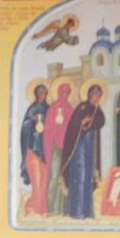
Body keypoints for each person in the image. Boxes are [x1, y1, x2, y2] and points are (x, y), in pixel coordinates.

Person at [61, 83, 106, 219]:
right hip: (79, 146)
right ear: (90, 95)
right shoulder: (82, 107)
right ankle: (76, 211)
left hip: (90, 147)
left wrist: (91, 121)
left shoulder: (97, 110)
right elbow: (74, 125)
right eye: (95, 95)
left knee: (88, 177)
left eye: (99, 96)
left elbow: (101, 120)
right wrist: (82, 122)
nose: (96, 98)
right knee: (79, 177)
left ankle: (87, 211)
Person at [44, 81, 74, 215]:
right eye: (63, 92)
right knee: (54, 176)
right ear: (59, 92)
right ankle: (50, 209)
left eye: (67, 92)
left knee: (64, 177)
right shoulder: (53, 107)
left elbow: (72, 126)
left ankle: (61, 210)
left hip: (67, 147)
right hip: (56, 146)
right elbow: (48, 127)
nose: (65, 95)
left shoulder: (70, 107)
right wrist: (56, 125)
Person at [20, 82, 49, 215]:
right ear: (36, 94)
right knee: (36, 180)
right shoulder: (32, 108)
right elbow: (25, 126)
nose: (42, 96)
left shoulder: (48, 108)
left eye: (44, 93)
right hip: (33, 147)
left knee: (44, 179)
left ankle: (42, 207)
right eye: (40, 93)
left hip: (45, 147)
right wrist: (32, 119)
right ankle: (33, 206)